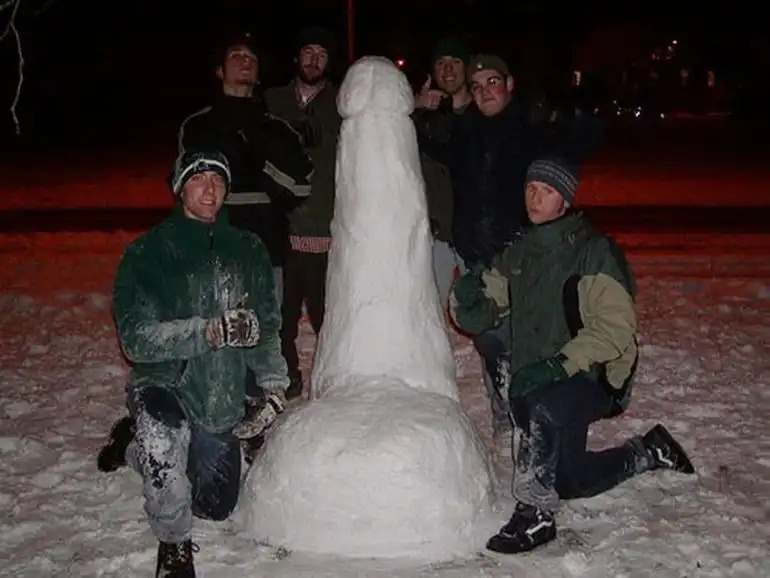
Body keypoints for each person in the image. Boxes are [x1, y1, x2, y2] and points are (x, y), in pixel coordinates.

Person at [450, 156, 695, 555]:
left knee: (540, 405)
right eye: (531, 188)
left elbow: (615, 330)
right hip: (543, 378)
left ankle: (535, 514)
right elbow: (483, 311)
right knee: (569, 480)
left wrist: (558, 365)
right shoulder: (521, 253)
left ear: (564, 200)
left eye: (547, 191)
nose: (535, 198)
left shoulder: (593, 252)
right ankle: (649, 451)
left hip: (593, 375)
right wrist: (465, 298)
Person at [103, 151, 291, 577]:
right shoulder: (148, 252)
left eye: (218, 180)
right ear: (179, 188)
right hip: (163, 383)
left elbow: (266, 325)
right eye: (198, 179)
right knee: (165, 449)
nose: (210, 189)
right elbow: (136, 339)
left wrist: (273, 385)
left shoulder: (248, 249)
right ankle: (173, 547)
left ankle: (131, 447)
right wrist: (207, 332)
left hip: (218, 394)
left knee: (216, 505)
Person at [415, 53, 602, 445]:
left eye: (493, 82)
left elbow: (581, 142)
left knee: (526, 341)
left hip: (522, 258)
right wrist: (419, 112)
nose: (485, 92)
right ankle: (505, 409)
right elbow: (431, 144)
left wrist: (574, 109)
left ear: (509, 83)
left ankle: (534, 412)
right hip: (477, 257)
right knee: (490, 341)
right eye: (477, 85)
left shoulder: (529, 128)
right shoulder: (464, 131)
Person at [177, 32, 314, 304]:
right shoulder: (197, 126)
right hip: (212, 253)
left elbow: (300, 188)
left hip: (266, 253)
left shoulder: (278, 130)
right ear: (220, 71)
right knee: (212, 327)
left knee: (264, 328)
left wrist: (260, 167)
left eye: (252, 58)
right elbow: (184, 187)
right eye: (236, 56)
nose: (246, 61)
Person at [264, 26, 341, 399]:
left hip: (325, 227)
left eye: (321, 54)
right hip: (281, 229)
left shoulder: (341, 104)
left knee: (329, 316)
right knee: (281, 315)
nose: (314, 60)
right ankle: (287, 377)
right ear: (297, 56)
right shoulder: (273, 100)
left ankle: (332, 380)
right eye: (308, 51)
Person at [416, 35, 474, 312]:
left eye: (455, 61)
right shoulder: (424, 118)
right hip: (436, 235)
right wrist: (415, 105)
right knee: (430, 312)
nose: (448, 69)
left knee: (485, 314)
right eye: (441, 63)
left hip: (476, 236)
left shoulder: (483, 114)